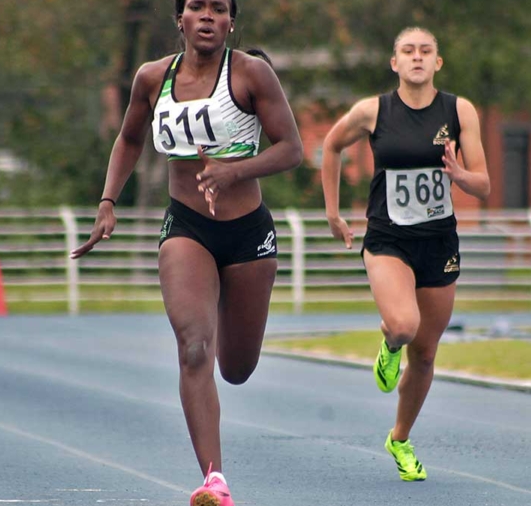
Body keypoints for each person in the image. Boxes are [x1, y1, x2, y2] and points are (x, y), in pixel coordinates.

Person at [71, 1, 303, 504]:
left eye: (218, 8)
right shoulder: (152, 78)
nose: (206, 16)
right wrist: (108, 200)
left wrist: (233, 170)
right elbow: (129, 138)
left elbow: (292, 148)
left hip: (247, 235)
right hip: (187, 227)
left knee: (236, 368)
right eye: (195, 6)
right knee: (194, 346)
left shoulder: (250, 74)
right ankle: (214, 481)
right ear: (179, 18)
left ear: (230, 22)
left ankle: (221, 299)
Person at [320, 27, 490, 482]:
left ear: (438, 62)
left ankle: (399, 438)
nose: (417, 57)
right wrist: (333, 212)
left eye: (426, 51)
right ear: (394, 63)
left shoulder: (459, 111)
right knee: (404, 325)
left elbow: (484, 184)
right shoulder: (373, 110)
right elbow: (331, 145)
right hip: (388, 238)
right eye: (407, 51)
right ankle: (389, 339)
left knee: (427, 355)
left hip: (439, 242)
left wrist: (458, 173)